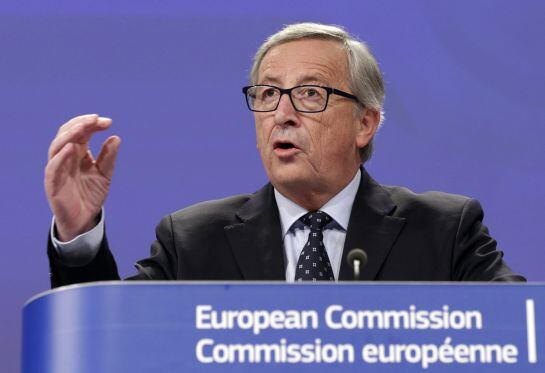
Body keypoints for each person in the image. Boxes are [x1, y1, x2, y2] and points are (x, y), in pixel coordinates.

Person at [45, 23, 525, 287]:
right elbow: (106, 336)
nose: (283, 114)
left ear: (365, 123)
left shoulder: (444, 230)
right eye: (268, 95)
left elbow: (517, 337)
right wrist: (77, 231)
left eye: (311, 94)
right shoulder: (194, 241)